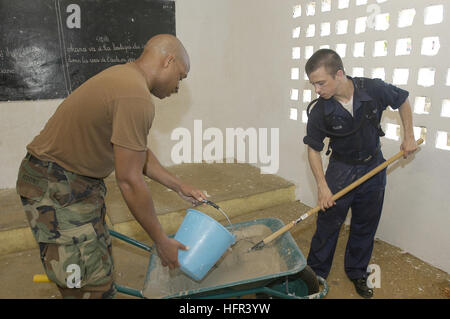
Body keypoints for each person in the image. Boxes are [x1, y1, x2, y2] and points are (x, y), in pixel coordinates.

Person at [16, 34, 207, 299]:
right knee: (86, 285)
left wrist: (177, 185)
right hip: (57, 188)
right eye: (181, 76)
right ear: (168, 61)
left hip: (72, 183)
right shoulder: (135, 96)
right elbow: (129, 180)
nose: (178, 86)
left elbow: (134, 150)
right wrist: (161, 241)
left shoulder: (125, 78)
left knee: (97, 270)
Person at [303, 49, 418, 298]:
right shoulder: (320, 111)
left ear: (340, 74)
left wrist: (408, 135)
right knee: (328, 224)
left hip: (373, 166)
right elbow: (313, 149)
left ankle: (356, 271)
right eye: (313, 84)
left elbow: (403, 100)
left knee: (365, 224)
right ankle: (315, 275)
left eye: (321, 83)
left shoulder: (373, 89)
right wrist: (323, 187)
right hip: (341, 169)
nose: (317, 90)